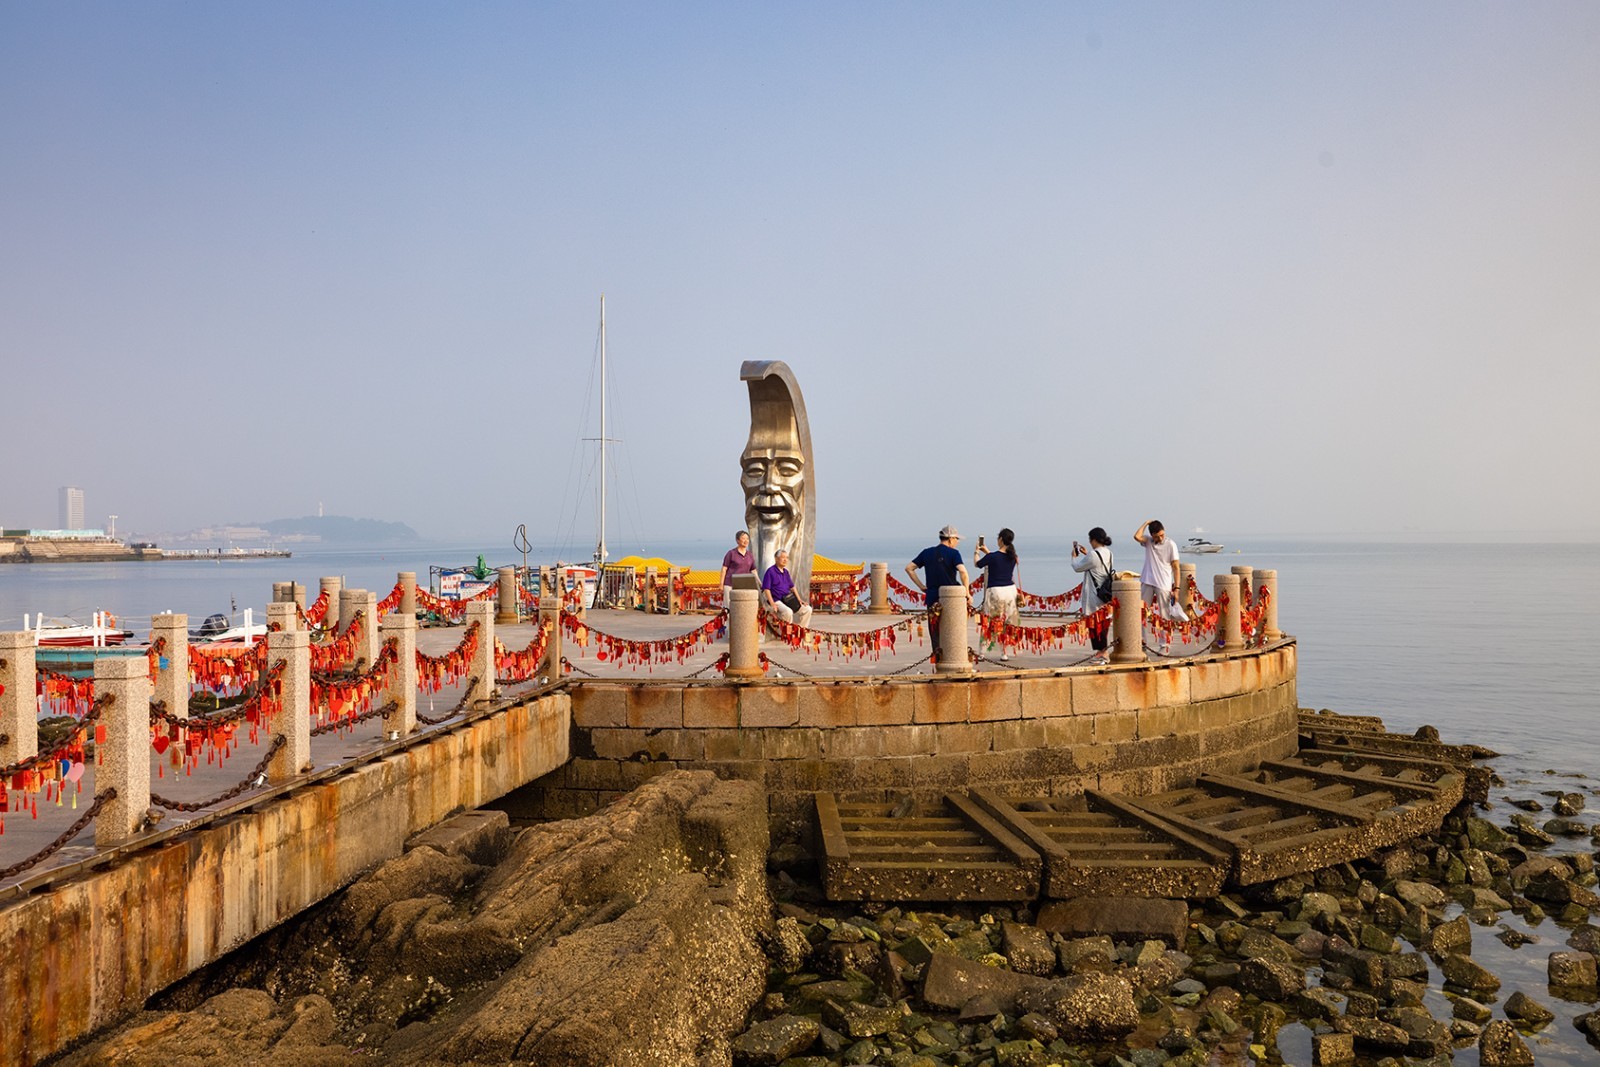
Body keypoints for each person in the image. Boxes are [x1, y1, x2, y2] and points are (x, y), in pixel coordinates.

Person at [907, 525, 971, 643]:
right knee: (953, 631)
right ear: (951, 539)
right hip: (951, 598)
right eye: (957, 539)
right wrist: (967, 592)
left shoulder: (927, 552)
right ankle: (952, 658)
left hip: (932, 596)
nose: (957, 542)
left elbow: (909, 568)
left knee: (935, 630)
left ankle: (937, 656)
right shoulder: (954, 553)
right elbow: (963, 571)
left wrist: (921, 586)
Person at [1135, 518, 1181, 654]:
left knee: (1164, 615)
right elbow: (1136, 536)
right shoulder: (1148, 541)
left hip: (1164, 583)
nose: (1160, 538)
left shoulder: (1171, 544)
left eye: (1162, 535)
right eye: (1157, 536)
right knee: (1141, 613)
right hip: (1147, 581)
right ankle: (1141, 642)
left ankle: (1165, 644)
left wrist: (1176, 588)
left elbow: (1176, 567)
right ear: (1152, 535)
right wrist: (1145, 523)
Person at [973, 528, 1020, 660]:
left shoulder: (992, 557)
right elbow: (999, 560)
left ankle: (982, 652)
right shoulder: (1013, 557)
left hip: (995, 592)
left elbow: (978, 564)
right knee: (1006, 623)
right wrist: (987, 552)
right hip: (1010, 591)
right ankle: (1004, 652)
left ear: (1000, 539)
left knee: (989, 622)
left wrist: (977, 551)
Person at [1071, 527, 1115, 665]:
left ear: (1094, 540)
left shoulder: (1093, 555)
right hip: (1105, 593)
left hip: (1094, 595)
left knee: (1095, 626)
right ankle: (1101, 652)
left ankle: (1103, 653)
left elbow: (1077, 567)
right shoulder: (1109, 553)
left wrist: (1073, 556)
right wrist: (1087, 554)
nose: (1090, 542)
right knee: (1103, 624)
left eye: (1090, 539)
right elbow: (1097, 565)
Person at [761, 549, 813, 626]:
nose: (785, 560)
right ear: (776, 558)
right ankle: (786, 634)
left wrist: (799, 600)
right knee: (788, 612)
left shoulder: (786, 572)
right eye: (783, 557)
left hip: (788, 599)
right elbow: (766, 589)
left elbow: (792, 587)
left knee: (808, 609)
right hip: (776, 600)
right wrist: (772, 603)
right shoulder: (770, 571)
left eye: (787, 558)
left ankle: (801, 630)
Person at [720, 530, 756, 607]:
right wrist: (721, 584)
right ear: (737, 540)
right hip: (730, 584)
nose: (745, 541)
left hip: (743, 585)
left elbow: (753, 571)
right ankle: (728, 619)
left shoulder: (750, 555)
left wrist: (759, 584)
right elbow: (724, 569)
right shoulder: (731, 553)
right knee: (729, 607)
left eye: (747, 538)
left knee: (741, 607)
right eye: (743, 538)